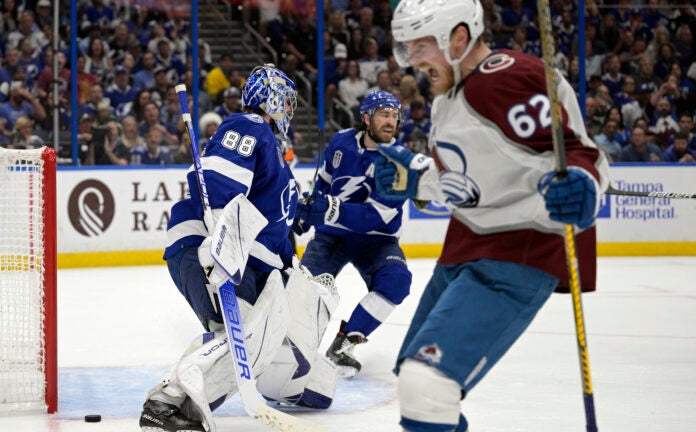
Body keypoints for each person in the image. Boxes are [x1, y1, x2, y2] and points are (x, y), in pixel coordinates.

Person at [377, 1, 611, 430]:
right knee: (418, 383)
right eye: (406, 48)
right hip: (468, 243)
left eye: (422, 45)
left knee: (427, 385)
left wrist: (582, 182)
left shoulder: (508, 79)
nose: (412, 60)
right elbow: (470, 177)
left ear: (459, 38)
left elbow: (579, 153)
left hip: (518, 249)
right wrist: (416, 180)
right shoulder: (450, 94)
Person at [139, 65, 339, 432]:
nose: (289, 111)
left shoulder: (275, 154)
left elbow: (274, 223)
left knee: (247, 342)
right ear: (273, 99)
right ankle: (165, 402)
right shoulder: (249, 126)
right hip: (209, 247)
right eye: (287, 102)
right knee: (242, 336)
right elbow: (217, 184)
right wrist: (221, 248)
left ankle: (187, 405)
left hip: (244, 262)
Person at [292, 90, 413, 378]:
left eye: (395, 116)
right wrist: (309, 209)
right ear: (366, 117)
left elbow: (374, 216)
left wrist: (329, 208)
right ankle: (287, 348)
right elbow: (323, 182)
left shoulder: (401, 162)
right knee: (303, 291)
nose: (390, 121)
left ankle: (345, 342)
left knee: (397, 281)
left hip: (377, 240)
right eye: (384, 114)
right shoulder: (342, 141)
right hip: (332, 236)